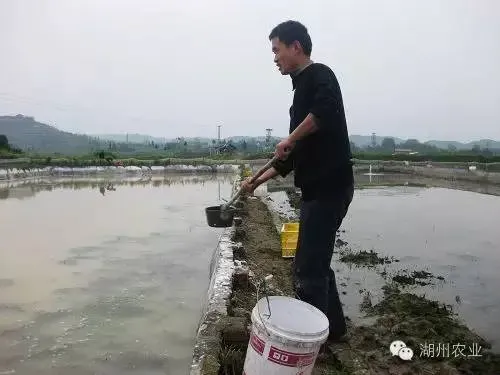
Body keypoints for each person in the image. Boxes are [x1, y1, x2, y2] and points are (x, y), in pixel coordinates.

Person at [241, 20, 354, 342]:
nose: (274, 58)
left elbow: (325, 112)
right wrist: (256, 180)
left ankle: (310, 341)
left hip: (330, 186)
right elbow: (291, 158)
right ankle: (336, 332)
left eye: (277, 50)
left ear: (296, 47)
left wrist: (290, 136)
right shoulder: (299, 94)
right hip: (318, 188)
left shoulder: (320, 75)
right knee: (317, 263)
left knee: (307, 270)